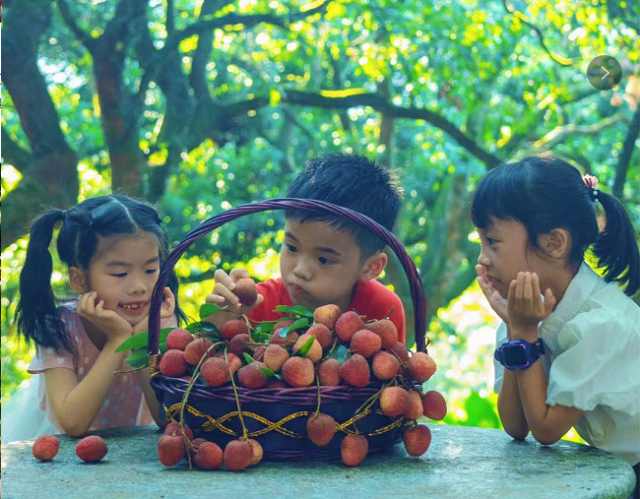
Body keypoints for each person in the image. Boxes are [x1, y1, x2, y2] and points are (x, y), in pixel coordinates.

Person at [472, 155, 639, 496]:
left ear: (554, 243)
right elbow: (517, 426)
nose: (482, 259)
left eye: (493, 241)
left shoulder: (600, 323)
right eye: (480, 242)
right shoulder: (526, 317)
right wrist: (516, 331)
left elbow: (547, 429)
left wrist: (524, 334)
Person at [1, 195, 184, 443]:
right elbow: (73, 424)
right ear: (79, 279)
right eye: (120, 273)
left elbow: (166, 417)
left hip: (128, 454)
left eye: (151, 270)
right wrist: (118, 340)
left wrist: (142, 338)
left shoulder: (158, 319)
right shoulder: (60, 328)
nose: (139, 287)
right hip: (61, 453)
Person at [206, 153, 407, 343]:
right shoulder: (253, 307)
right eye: (292, 247)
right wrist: (216, 331)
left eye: (324, 260)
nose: (300, 270)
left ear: (371, 267)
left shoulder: (382, 311)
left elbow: (394, 377)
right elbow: (202, 374)